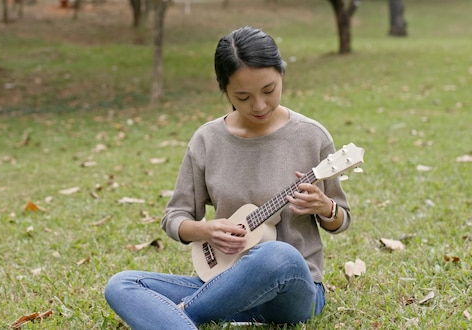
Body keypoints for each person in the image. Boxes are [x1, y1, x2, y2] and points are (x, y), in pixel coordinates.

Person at [104, 26, 351, 329]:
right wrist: (205, 230)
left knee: (277, 254)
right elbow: (175, 217)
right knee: (121, 284)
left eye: (269, 90)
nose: (259, 105)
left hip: (294, 291)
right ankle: (197, 316)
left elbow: (341, 220)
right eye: (243, 96)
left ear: (282, 74)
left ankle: (183, 314)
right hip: (224, 286)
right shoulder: (207, 140)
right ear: (224, 89)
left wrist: (326, 208)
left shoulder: (312, 137)